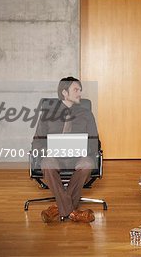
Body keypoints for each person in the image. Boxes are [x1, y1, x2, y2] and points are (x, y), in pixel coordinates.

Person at [32, 77, 99, 223]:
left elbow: (94, 141)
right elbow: (37, 142)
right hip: (55, 158)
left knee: (87, 164)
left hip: (79, 157)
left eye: (80, 90)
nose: (80, 93)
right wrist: (48, 152)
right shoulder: (48, 114)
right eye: (76, 89)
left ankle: (57, 209)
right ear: (64, 92)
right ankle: (73, 213)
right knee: (47, 164)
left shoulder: (86, 114)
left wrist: (84, 151)